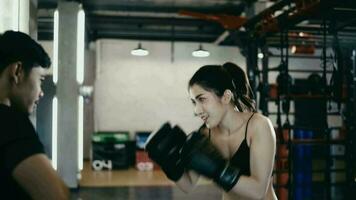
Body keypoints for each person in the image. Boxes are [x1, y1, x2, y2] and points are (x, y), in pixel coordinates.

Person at [146, 62, 277, 200]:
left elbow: (258, 191)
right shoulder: (205, 134)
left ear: (226, 97)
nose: (196, 111)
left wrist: (218, 170)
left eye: (202, 99)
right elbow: (188, 184)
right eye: (194, 102)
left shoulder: (258, 126)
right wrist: (169, 165)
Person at [0, 30, 69, 199]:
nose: (41, 93)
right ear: (17, 71)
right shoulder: (10, 123)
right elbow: (57, 196)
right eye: (40, 80)